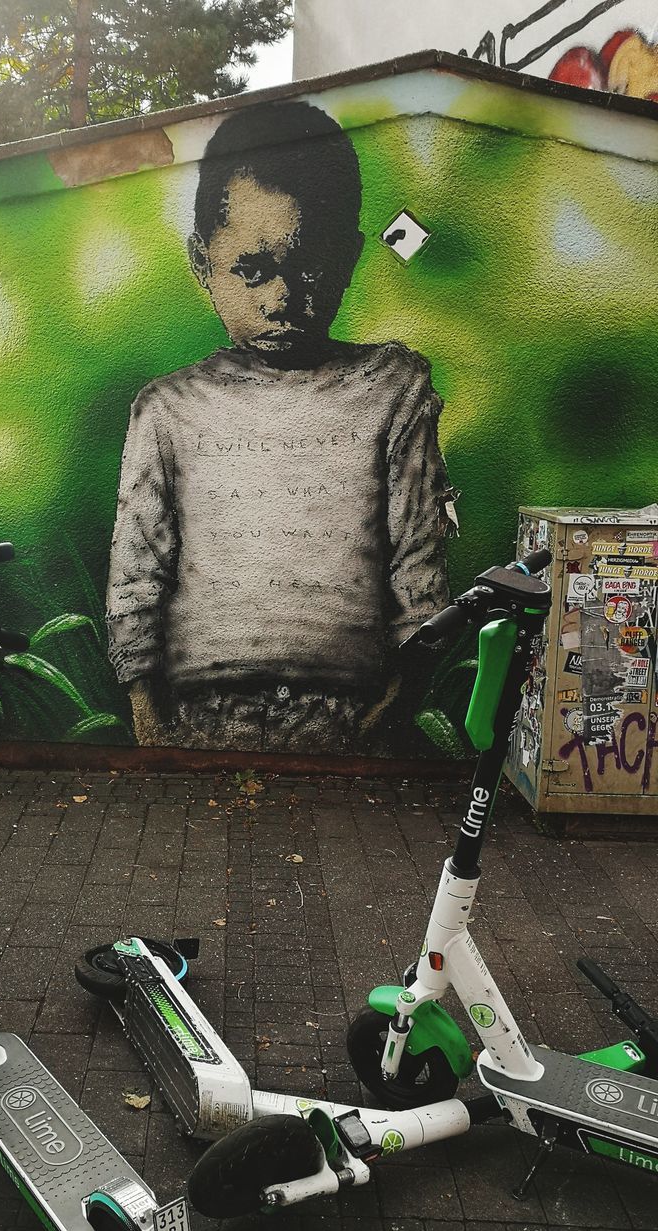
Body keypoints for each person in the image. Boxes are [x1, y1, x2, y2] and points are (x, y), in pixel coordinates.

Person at [106, 99, 452, 752]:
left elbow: (419, 562)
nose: (283, 295)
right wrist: (147, 712)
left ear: (348, 257)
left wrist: (398, 700)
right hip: (198, 718)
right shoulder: (167, 411)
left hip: (357, 719)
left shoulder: (392, 389)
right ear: (201, 262)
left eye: (310, 265)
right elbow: (137, 570)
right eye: (252, 270)